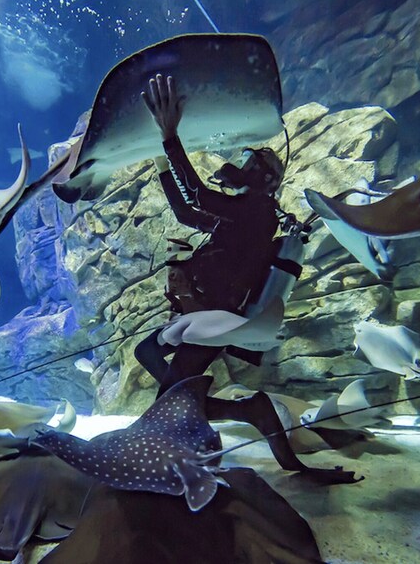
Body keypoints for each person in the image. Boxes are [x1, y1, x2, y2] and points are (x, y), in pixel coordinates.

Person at [135, 73, 358, 484]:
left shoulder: (257, 211)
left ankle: (248, 429)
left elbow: (198, 195)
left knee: (172, 398)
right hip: (202, 313)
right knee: (146, 353)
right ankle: (247, 410)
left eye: (249, 164)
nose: (240, 166)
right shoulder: (245, 214)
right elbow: (187, 213)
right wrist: (163, 167)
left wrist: (169, 137)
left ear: (262, 178)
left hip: (215, 319)